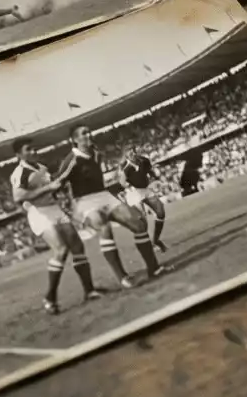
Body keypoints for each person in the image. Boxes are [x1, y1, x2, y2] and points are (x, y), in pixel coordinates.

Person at [53, 126, 162, 287]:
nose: (88, 134)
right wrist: (67, 209)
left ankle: (154, 269)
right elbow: (56, 184)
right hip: (84, 202)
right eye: (83, 133)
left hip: (104, 196)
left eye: (88, 131)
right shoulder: (71, 160)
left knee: (138, 222)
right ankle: (123, 278)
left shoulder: (96, 154)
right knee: (104, 228)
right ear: (75, 140)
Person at [9, 140, 99, 315]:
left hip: (55, 209)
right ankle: (50, 298)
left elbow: (49, 189)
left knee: (77, 247)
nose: (34, 151)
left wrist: (57, 187)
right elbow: (18, 197)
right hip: (39, 213)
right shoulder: (19, 172)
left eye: (34, 147)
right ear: (19, 155)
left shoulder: (41, 167)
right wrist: (48, 187)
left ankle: (90, 291)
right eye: (29, 149)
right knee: (61, 250)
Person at [118, 150, 168, 253]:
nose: (132, 155)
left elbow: (150, 171)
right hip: (133, 192)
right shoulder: (126, 168)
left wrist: (156, 178)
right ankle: (150, 246)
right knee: (142, 222)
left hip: (145, 190)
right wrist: (128, 187)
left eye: (133, 152)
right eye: (129, 154)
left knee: (160, 211)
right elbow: (122, 182)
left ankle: (156, 240)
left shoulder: (144, 161)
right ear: (127, 157)